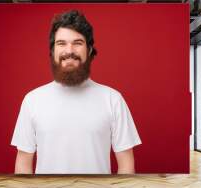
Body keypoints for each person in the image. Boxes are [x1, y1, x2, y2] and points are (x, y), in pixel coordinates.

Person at [11, 10, 141, 174]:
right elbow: (23, 163)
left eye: (78, 43)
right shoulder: (32, 100)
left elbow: (126, 165)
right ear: (52, 51)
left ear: (89, 49)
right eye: (61, 43)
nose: (69, 50)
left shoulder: (113, 99)